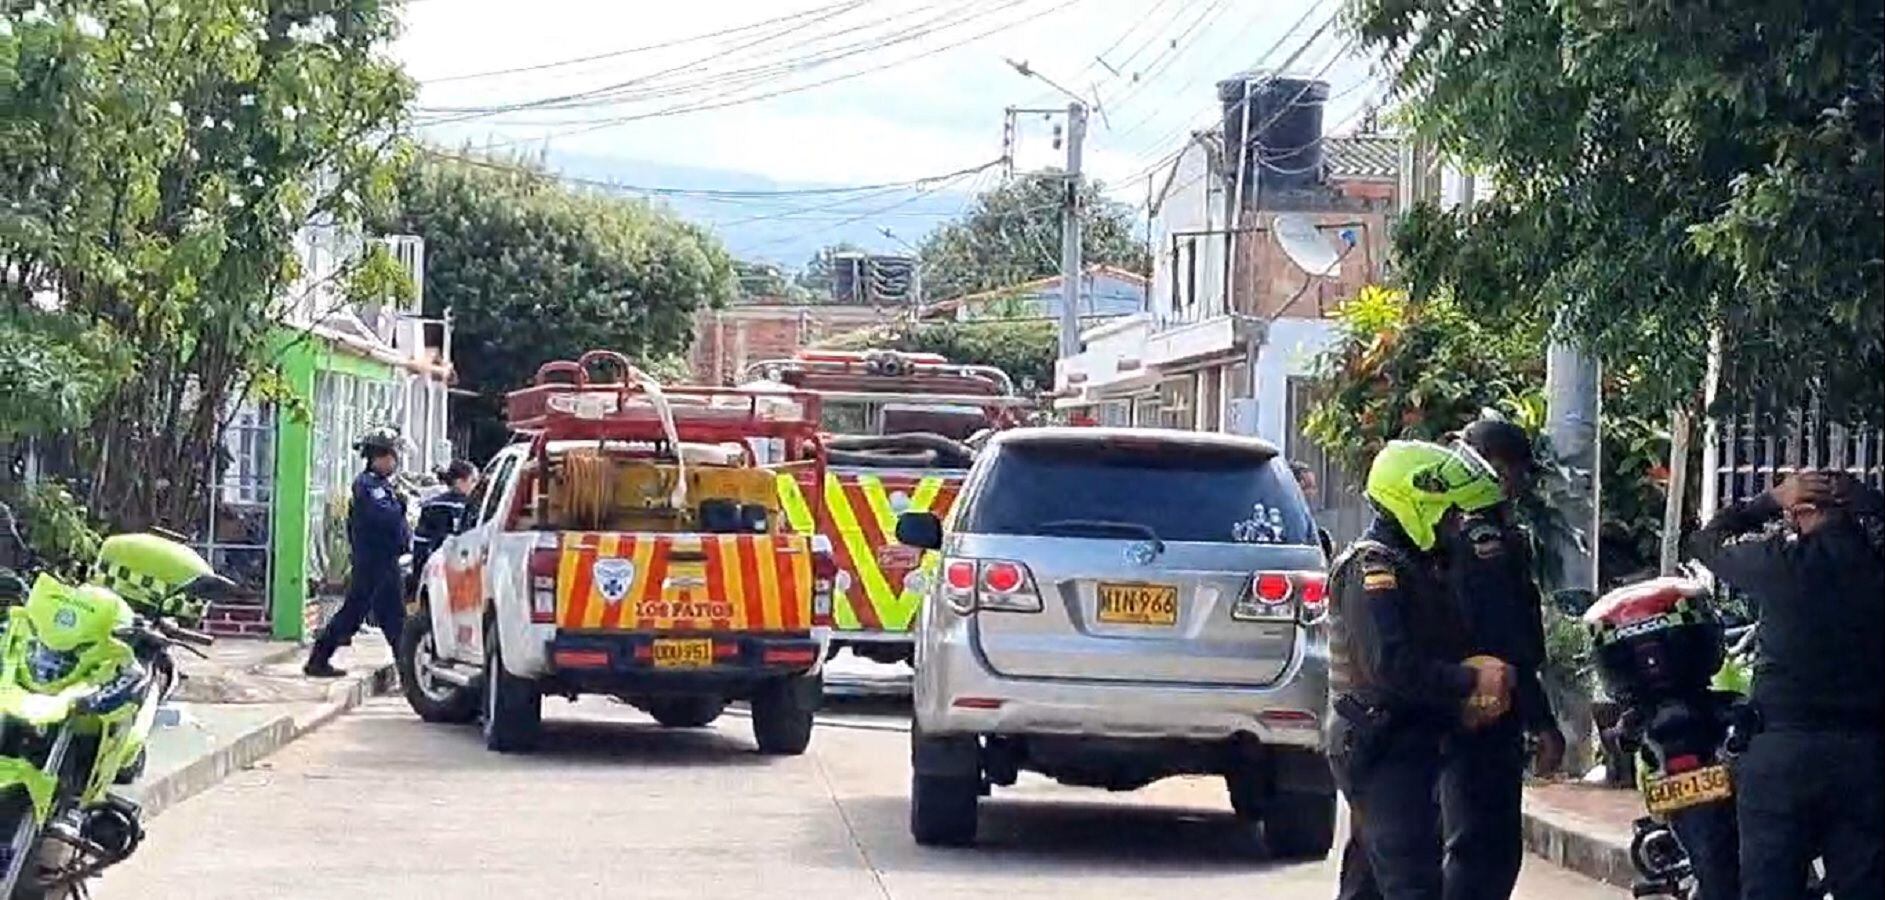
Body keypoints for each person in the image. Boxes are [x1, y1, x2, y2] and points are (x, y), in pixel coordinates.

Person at [1328, 440, 1514, 900]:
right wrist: (1471, 682)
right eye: (1449, 513)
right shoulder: (1374, 569)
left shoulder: (1419, 565)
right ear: (1417, 503)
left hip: (1407, 740)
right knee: (1413, 884)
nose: (1456, 524)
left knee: (1368, 885)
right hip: (1382, 744)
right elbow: (1392, 667)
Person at [1688, 470, 1885, 900]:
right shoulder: (1875, 570)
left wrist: (1767, 501)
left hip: (1782, 756)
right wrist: (1871, 502)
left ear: (1800, 511)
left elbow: (1705, 543)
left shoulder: (1777, 564)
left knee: (1770, 887)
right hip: (1866, 758)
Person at [1435, 418, 1564, 900]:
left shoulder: (1442, 525)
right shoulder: (1482, 538)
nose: (1515, 487)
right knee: (1483, 847)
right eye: (1512, 473)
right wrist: (1541, 719)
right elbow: (1505, 638)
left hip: (1452, 703)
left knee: (1465, 842)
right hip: (1485, 709)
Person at [305, 428, 412, 678]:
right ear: (380, 457)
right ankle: (319, 659)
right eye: (392, 457)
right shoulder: (368, 485)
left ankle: (408, 671)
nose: (394, 463)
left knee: (390, 618)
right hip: (374, 561)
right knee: (364, 615)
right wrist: (401, 504)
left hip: (384, 560)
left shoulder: (382, 485)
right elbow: (384, 517)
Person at [408, 460, 479, 599]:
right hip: (440, 568)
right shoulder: (454, 506)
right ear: (459, 482)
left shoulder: (432, 503)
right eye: (473, 480)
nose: (476, 486)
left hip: (426, 566)